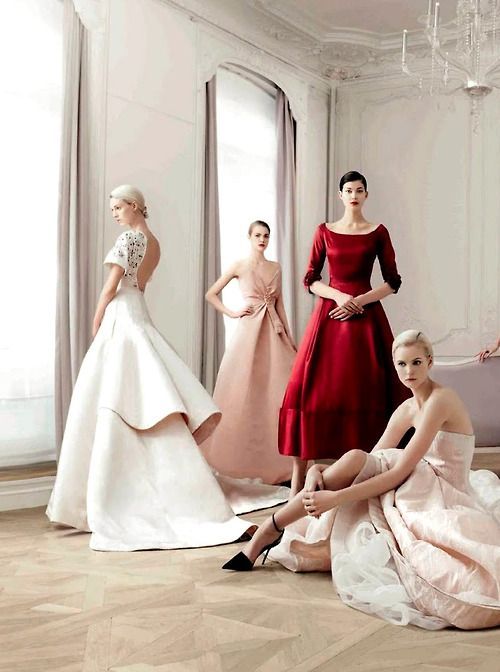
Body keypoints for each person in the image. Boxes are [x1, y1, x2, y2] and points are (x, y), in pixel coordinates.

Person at [222, 330, 500, 631]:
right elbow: (372, 458)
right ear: (395, 367)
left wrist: (336, 498)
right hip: (418, 477)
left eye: (417, 362)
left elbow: (398, 471)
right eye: (402, 365)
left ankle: (269, 530)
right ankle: (271, 528)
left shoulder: (441, 400)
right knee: (355, 458)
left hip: (443, 489)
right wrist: (317, 472)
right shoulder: (407, 409)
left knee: (356, 465)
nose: (409, 372)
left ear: (430, 362)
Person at [47, 185, 259, 551]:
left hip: (120, 317)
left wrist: (97, 323)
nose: (114, 213)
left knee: (116, 397)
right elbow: (140, 284)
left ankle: (107, 498)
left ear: (133, 206)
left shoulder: (129, 238)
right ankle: (155, 488)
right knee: (144, 395)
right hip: (139, 313)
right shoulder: (154, 242)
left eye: (117, 207)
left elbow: (111, 287)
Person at [279, 171, 409, 495]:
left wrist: (359, 301)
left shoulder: (378, 232)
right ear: (340, 195)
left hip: (366, 319)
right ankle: (298, 484)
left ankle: (371, 477)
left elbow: (393, 281)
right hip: (329, 315)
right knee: (306, 391)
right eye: (348, 190)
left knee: (368, 389)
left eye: (359, 190)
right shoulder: (324, 231)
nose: (354, 195)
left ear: (366, 195)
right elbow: (310, 277)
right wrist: (338, 296)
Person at [201, 221, 296, 490]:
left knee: (276, 391)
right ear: (249, 237)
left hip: (272, 330)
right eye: (258, 235)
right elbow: (211, 294)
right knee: (241, 389)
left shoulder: (275, 267)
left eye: (266, 236)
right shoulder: (240, 265)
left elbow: (280, 306)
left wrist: (289, 338)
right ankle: (236, 460)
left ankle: (280, 462)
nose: (262, 239)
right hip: (248, 329)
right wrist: (231, 312)